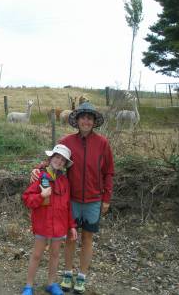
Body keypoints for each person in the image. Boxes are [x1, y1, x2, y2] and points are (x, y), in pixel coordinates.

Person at [31, 101, 114, 294]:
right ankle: (67, 274)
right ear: (77, 120)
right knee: (70, 236)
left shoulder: (103, 143)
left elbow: (109, 172)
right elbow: (52, 161)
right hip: (72, 200)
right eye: (83, 117)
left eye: (90, 118)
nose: (86, 121)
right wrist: (37, 169)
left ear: (94, 122)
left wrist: (107, 198)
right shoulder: (66, 141)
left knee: (87, 238)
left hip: (94, 200)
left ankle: (82, 277)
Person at [22, 144, 78, 295]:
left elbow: (68, 206)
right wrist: (41, 196)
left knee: (54, 255)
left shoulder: (65, 182)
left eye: (62, 160)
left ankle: (51, 284)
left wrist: (72, 225)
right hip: (42, 224)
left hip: (59, 226)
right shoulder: (39, 176)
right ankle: (28, 286)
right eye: (57, 157)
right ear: (51, 158)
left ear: (65, 164)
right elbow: (27, 199)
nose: (59, 161)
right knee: (37, 255)